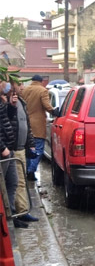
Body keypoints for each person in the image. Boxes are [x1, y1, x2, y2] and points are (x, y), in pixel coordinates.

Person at [8, 79, 38, 222]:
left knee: (20, 181)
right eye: (20, 84)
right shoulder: (9, 103)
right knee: (17, 181)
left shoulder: (22, 102)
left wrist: (30, 144)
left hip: (21, 148)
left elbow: (27, 126)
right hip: (13, 149)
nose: (23, 87)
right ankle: (20, 211)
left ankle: (21, 210)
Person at [0, 80, 25, 229]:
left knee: (12, 182)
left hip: (8, 148)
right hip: (4, 150)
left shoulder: (2, 101)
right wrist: (2, 147)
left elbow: (6, 120)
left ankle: (11, 217)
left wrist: (10, 105)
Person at [20, 75, 54, 181]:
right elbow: (47, 106)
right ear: (41, 81)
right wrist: (54, 111)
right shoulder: (42, 90)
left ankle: (27, 171)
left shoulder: (25, 90)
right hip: (38, 125)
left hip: (25, 123)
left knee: (29, 149)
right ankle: (31, 170)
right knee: (39, 148)